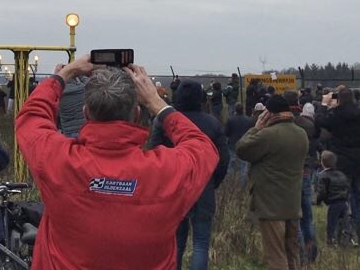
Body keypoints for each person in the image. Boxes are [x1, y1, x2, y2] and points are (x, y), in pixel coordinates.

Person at [16, 57, 217, 270]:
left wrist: (64, 75)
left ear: (86, 113)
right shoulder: (166, 172)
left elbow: (31, 119)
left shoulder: (59, 160)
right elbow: (202, 148)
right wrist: (156, 103)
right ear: (137, 113)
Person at [151, 80, 228, 270]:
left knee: (176, 242)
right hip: (203, 186)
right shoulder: (212, 123)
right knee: (201, 242)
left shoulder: (164, 122)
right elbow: (223, 159)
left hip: (172, 188)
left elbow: (153, 152)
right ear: (200, 98)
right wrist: (212, 181)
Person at [235, 94, 309, 270]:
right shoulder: (301, 134)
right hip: (292, 202)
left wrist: (256, 127)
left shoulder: (268, 135)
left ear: (269, 114)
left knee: (276, 255)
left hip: (270, 204)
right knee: (292, 251)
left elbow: (242, 149)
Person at [312, 85, 360, 247]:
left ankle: (344, 237)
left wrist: (324, 105)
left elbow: (319, 121)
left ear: (338, 100)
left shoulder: (336, 116)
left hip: (343, 163)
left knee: (341, 201)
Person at [283, 90, 319, 261]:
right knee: (307, 215)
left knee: (294, 217)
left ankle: (301, 256)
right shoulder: (308, 123)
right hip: (305, 170)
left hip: (290, 172)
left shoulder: (285, 124)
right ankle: (312, 252)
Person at [314, 151, 352, 247]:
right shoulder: (342, 174)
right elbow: (347, 187)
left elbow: (322, 191)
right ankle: (345, 242)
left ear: (322, 162)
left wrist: (318, 201)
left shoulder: (323, 176)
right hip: (344, 202)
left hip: (334, 203)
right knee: (345, 223)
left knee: (331, 224)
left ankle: (330, 242)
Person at [225, 103, 255, 185]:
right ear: (243, 110)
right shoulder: (249, 120)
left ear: (235, 110)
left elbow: (226, 133)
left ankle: (229, 183)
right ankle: (242, 184)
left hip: (232, 144)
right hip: (244, 144)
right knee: (244, 165)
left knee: (231, 163)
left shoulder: (230, 120)